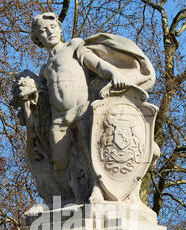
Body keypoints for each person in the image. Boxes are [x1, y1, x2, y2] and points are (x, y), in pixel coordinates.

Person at [30, 12, 143, 195]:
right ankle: (66, 197)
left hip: (83, 110)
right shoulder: (44, 70)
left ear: (59, 28)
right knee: (58, 159)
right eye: (43, 31)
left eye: (52, 27)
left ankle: (97, 190)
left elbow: (96, 64)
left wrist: (113, 73)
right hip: (59, 119)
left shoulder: (73, 47)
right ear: (37, 39)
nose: (50, 32)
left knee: (91, 153)